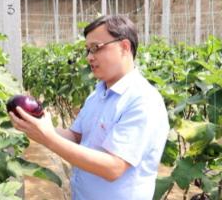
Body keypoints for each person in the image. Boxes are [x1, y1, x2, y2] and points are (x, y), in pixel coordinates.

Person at [9, 15, 170, 200]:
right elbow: (76, 137)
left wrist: (48, 138)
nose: (89, 57)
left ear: (125, 47)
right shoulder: (99, 93)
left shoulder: (143, 100)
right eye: (87, 50)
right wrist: (37, 125)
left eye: (96, 48)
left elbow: (113, 168)